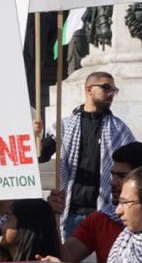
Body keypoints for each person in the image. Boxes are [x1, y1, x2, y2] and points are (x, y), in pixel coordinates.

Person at [37, 71, 135, 238]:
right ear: (89, 89)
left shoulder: (120, 129)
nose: (111, 93)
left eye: (113, 90)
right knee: (69, 255)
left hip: (107, 212)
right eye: (106, 88)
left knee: (107, 255)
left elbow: (136, 165)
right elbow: (41, 155)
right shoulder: (64, 126)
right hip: (71, 212)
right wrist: (36, 135)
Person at [45, 142, 142, 263]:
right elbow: (66, 257)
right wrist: (49, 216)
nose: (112, 182)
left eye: (122, 176)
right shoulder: (100, 220)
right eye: (113, 175)